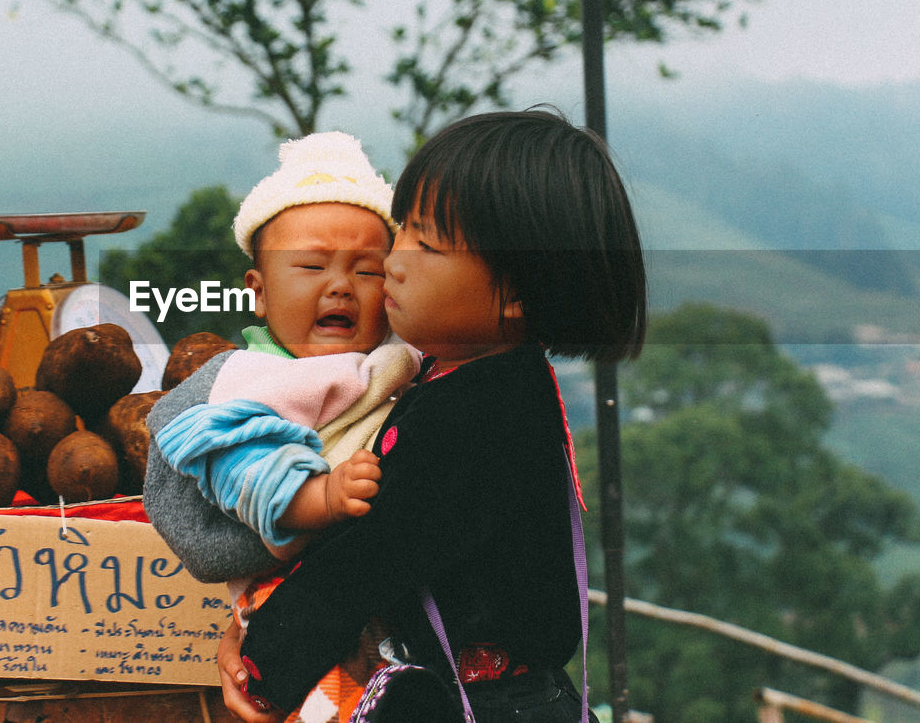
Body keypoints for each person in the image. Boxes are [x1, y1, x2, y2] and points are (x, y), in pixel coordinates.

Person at [219, 107, 647, 723]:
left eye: (428, 242)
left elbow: (372, 557)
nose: (393, 260)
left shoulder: (477, 416)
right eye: (404, 230)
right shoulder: (477, 382)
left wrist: (264, 664)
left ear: (518, 292)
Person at [143, 130, 421, 721]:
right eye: (312, 266)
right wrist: (317, 496)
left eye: (367, 271)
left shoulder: (401, 363)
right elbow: (245, 469)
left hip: (396, 621)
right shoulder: (250, 381)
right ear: (259, 293)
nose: (340, 284)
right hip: (290, 603)